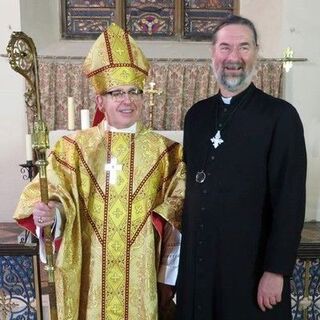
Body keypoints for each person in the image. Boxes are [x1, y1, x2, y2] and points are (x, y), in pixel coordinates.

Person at [14, 23, 185, 320]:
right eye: (116, 92)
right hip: (89, 276)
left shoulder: (166, 152)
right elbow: (57, 194)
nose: (127, 100)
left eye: (134, 92)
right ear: (99, 101)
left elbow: (179, 207)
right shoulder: (74, 148)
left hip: (141, 277)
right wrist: (52, 213)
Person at [176, 15, 306, 320]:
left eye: (243, 48)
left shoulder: (280, 117)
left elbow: (290, 202)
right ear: (213, 54)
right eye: (225, 48)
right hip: (201, 268)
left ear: (256, 53)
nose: (233, 58)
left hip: (251, 270)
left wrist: (276, 271)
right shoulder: (197, 116)